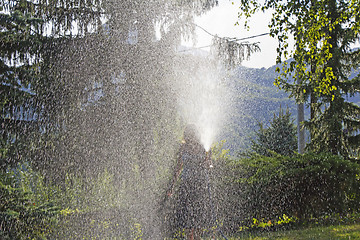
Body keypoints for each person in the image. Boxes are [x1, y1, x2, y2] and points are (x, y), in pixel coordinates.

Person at [167, 124, 212, 240]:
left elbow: (209, 164)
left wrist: (209, 165)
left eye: (192, 133)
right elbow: (178, 168)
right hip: (186, 185)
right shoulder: (182, 148)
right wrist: (171, 187)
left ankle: (197, 237)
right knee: (187, 216)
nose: (190, 135)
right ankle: (189, 238)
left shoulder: (204, 147)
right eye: (188, 133)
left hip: (200, 184)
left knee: (198, 216)